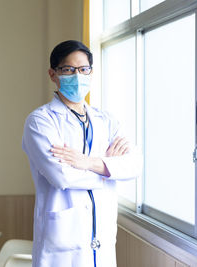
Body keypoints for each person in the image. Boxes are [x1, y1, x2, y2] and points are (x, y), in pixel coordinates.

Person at [22, 40, 142, 267]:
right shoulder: (40, 121)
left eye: (83, 69)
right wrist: (110, 169)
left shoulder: (106, 120)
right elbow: (62, 176)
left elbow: (135, 165)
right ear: (53, 74)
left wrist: (87, 163)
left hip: (102, 239)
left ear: (91, 73)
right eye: (68, 70)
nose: (77, 76)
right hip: (63, 244)